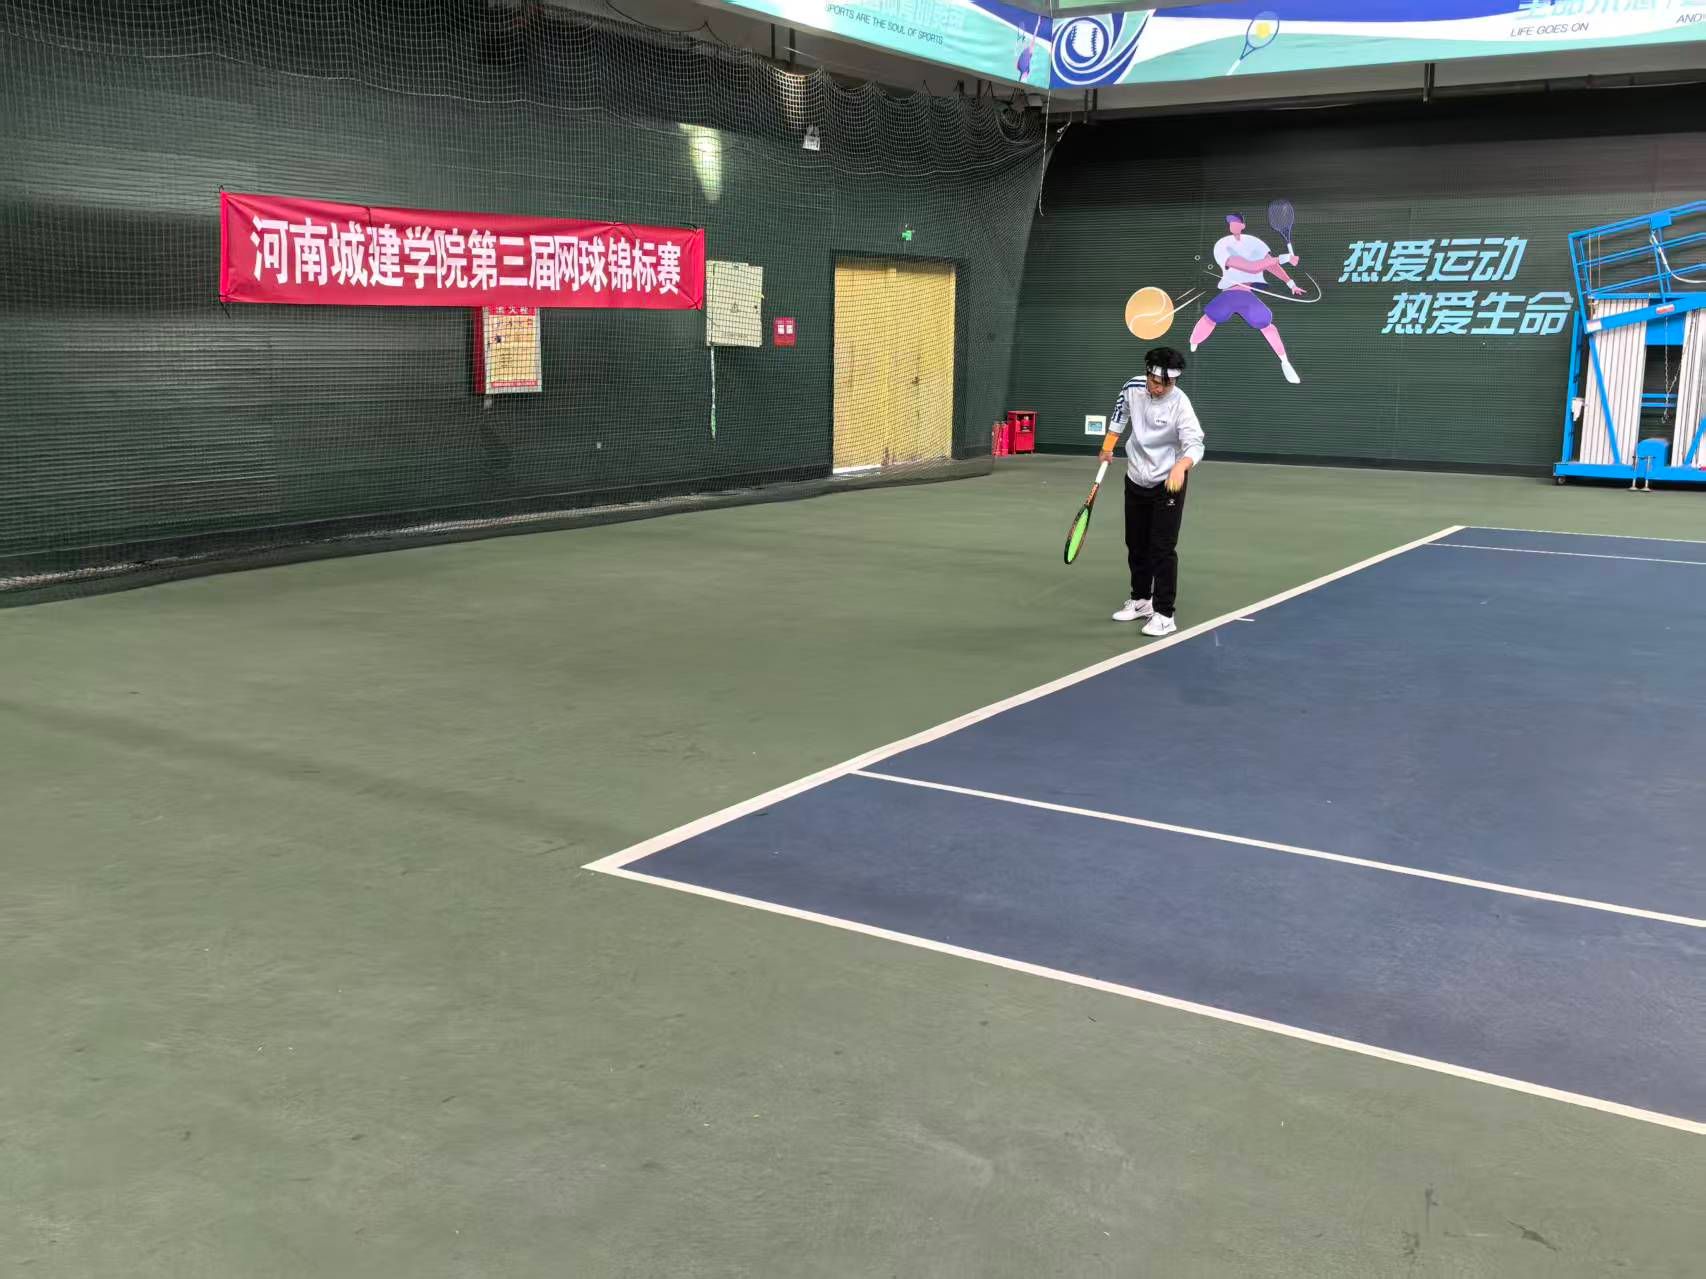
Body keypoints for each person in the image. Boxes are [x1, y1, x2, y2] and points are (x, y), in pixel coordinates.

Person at [1103, 346, 1204, 637]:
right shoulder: (1133, 387)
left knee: (1162, 548)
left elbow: (1195, 442)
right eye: (1155, 382)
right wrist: (1108, 445)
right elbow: (1120, 413)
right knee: (1136, 544)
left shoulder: (1180, 403)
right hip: (1136, 477)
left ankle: (1164, 614)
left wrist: (1181, 466)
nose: (1159, 388)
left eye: (1166, 384)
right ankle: (1141, 601)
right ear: (1147, 373)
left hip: (1167, 481)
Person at [1190, 212, 1304, 384]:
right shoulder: (1222, 245)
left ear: (1243, 225)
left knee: (1267, 325)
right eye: (1230, 222)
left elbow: (1271, 266)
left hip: (1247, 295)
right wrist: (1284, 258)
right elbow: (1251, 267)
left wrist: (1291, 284)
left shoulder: (1255, 243)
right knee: (1211, 317)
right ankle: (1194, 342)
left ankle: (1285, 362)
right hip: (1229, 294)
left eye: (1236, 222)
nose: (1232, 224)